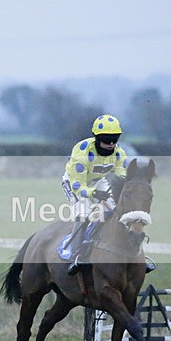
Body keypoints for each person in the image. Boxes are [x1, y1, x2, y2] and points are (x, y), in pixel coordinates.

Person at [61, 114, 130, 275]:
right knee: (83, 213)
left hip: (99, 181)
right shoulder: (82, 151)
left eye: (115, 139)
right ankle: (75, 255)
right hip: (75, 183)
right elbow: (78, 185)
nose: (111, 144)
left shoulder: (119, 154)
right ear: (97, 138)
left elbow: (122, 179)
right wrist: (94, 193)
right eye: (106, 139)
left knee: (117, 210)